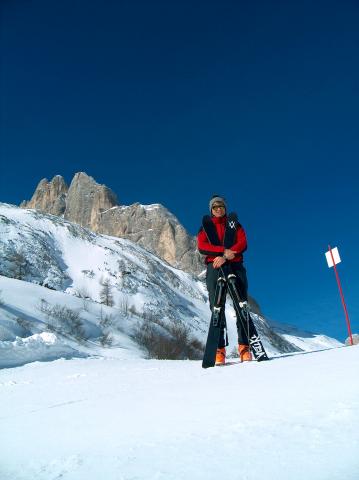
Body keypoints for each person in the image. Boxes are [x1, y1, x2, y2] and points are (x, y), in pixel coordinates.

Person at [197, 195, 252, 365]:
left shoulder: (235, 225)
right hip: (215, 267)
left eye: (221, 206)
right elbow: (202, 246)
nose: (218, 208)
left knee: (241, 305)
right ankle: (219, 350)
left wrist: (229, 254)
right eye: (215, 207)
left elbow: (243, 242)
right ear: (211, 210)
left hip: (235, 265)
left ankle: (244, 348)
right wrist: (222, 252)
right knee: (217, 307)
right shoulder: (205, 227)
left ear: (225, 208)